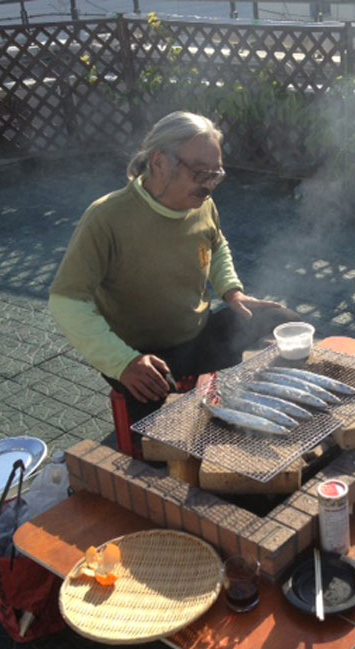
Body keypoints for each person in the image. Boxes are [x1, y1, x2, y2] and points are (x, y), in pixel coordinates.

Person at [49, 111, 300, 420]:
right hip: (144, 357)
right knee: (164, 431)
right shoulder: (107, 217)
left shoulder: (202, 204)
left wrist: (232, 292)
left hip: (198, 335)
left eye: (216, 175)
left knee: (282, 320)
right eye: (200, 173)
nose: (209, 185)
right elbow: (66, 301)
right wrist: (123, 362)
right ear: (160, 162)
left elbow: (216, 245)